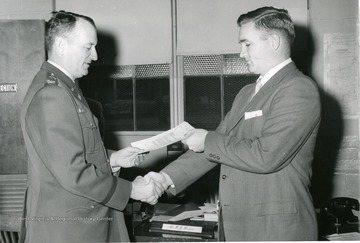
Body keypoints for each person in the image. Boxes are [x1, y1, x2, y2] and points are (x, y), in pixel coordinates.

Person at [144, 6, 321, 241]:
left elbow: (266, 155)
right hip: (239, 225)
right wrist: (165, 178)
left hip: (276, 228)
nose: (241, 53)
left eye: (247, 44)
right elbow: (214, 147)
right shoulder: (247, 92)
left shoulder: (298, 88)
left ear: (275, 42)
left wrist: (206, 139)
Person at [20, 10, 163, 243]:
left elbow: (72, 152)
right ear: (62, 45)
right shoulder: (53, 95)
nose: (95, 56)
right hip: (68, 231)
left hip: (80, 223)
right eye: (88, 47)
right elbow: (73, 172)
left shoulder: (65, 88)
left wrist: (113, 159)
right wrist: (133, 190)